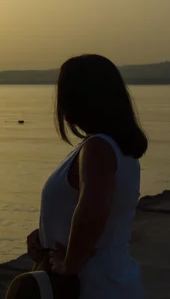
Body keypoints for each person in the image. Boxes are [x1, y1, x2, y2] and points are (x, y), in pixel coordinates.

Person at [8, 54, 148, 298]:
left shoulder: (98, 148)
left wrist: (70, 263)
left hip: (91, 286)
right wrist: (46, 233)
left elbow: (93, 210)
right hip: (108, 280)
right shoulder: (116, 148)